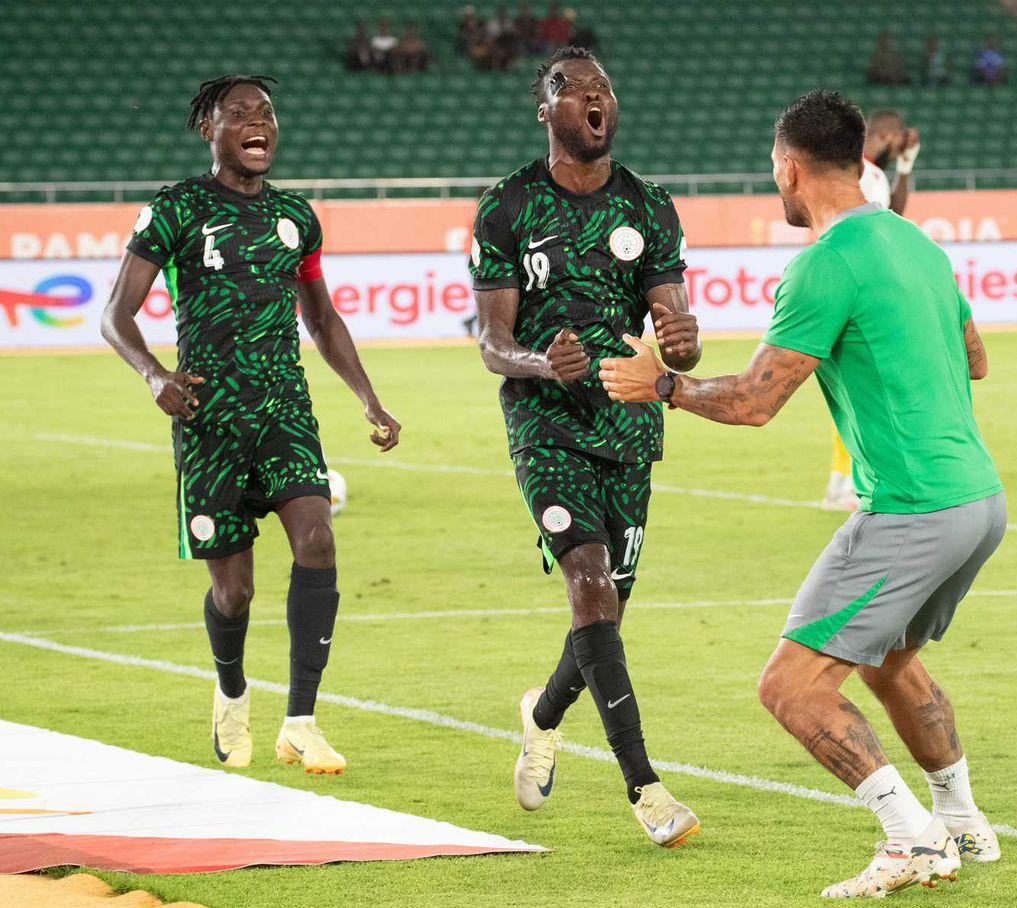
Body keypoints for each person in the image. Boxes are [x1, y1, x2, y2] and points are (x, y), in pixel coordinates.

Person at [600, 90, 1004, 898]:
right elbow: (977, 358)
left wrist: (663, 386)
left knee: (791, 687)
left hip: (915, 506)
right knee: (891, 663)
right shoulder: (916, 244)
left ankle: (913, 841)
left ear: (788, 167)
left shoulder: (824, 264)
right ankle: (961, 821)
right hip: (978, 499)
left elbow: (753, 401)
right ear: (861, 162)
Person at [100, 75, 402, 776]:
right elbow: (116, 313)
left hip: (283, 409)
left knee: (318, 542)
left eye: (267, 113)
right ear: (209, 127)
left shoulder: (296, 217)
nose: (258, 122)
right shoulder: (175, 211)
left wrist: (367, 397)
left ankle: (300, 720)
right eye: (240, 113)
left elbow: (321, 319)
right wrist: (155, 376)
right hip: (208, 417)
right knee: (234, 591)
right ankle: (232, 691)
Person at [469, 46, 703, 848]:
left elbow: (676, 336)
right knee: (590, 584)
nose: (597, 98)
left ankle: (541, 715)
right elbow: (493, 345)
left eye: (606, 87)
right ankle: (647, 790)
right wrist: (543, 361)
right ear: (547, 109)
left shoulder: (651, 205)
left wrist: (683, 339)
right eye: (576, 89)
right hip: (544, 424)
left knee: (607, 610)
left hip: (630, 424)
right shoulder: (506, 208)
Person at [825, 109, 920, 511]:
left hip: (853, 288)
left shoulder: (862, 175)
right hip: (858, 290)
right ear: (888, 134)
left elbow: (894, 213)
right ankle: (845, 481)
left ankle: (844, 480)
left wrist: (907, 164)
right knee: (862, 390)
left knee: (857, 389)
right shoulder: (859, 176)